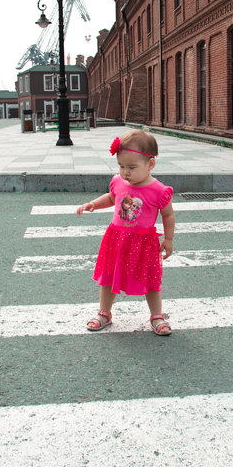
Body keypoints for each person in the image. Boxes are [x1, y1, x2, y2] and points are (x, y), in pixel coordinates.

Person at [75, 129, 176, 335]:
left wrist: (169, 238)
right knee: (108, 278)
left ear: (150, 164)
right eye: (121, 166)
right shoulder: (118, 181)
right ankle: (104, 312)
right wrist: (94, 204)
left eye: (132, 167)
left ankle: (157, 315)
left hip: (143, 242)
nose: (125, 172)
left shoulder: (158, 190)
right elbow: (112, 198)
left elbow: (168, 215)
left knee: (150, 280)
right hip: (116, 240)